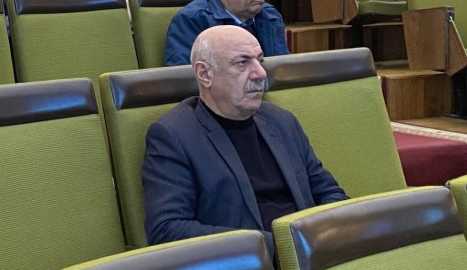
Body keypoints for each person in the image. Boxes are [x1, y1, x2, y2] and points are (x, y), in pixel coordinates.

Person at [142, 25, 347, 255]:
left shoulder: (281, 121)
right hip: (248, 268)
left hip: (313, 255)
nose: (260, 73)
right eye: (242, 62)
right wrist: (278, 247)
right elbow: (167, 231)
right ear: (205, 74)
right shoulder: (174, 135)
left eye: (260, 60)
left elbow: (330, 193)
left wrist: (324, 237)